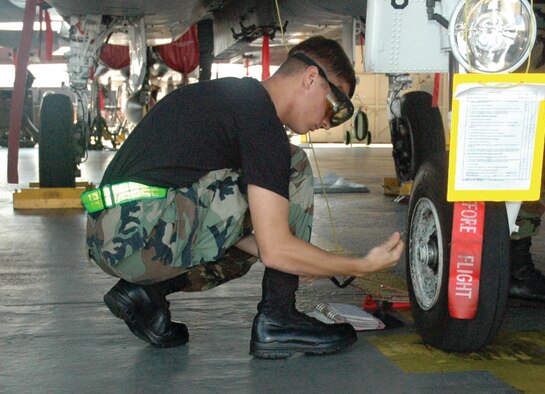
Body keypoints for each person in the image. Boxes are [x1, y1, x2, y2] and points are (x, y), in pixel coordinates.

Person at [82, 36, 404, 359]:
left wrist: (297, 257)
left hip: (111, 236)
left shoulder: (234, 101)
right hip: (138, 231)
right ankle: (278, 318)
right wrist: (360, 265)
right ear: (310, 78)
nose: (326, 122)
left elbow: (259, 244)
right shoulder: (261, 124)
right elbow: (275, 248)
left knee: (262, 242)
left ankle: (146, 293)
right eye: (336, 108)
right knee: (294, 167)